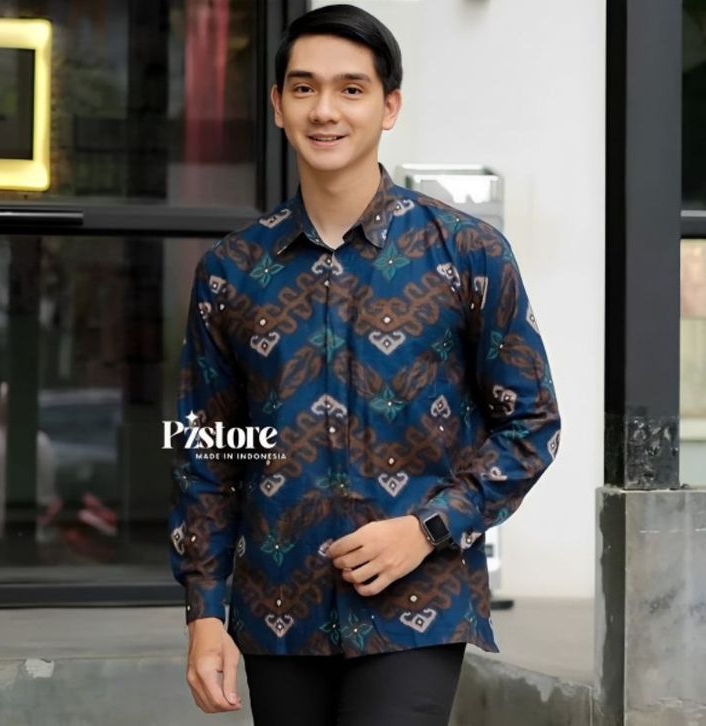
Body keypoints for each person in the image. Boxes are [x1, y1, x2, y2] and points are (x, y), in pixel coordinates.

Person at [168, 4, 561, 725]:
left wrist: (428, 528)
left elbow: (531, 424)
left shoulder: (466, 254)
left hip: (418, 604)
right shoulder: (231, 271)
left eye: (351, 89)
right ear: (278, 107)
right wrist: (204, 609)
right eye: (304, 88)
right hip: (276, 609)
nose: (325, 110)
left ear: (390, 107)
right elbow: (208, 454)